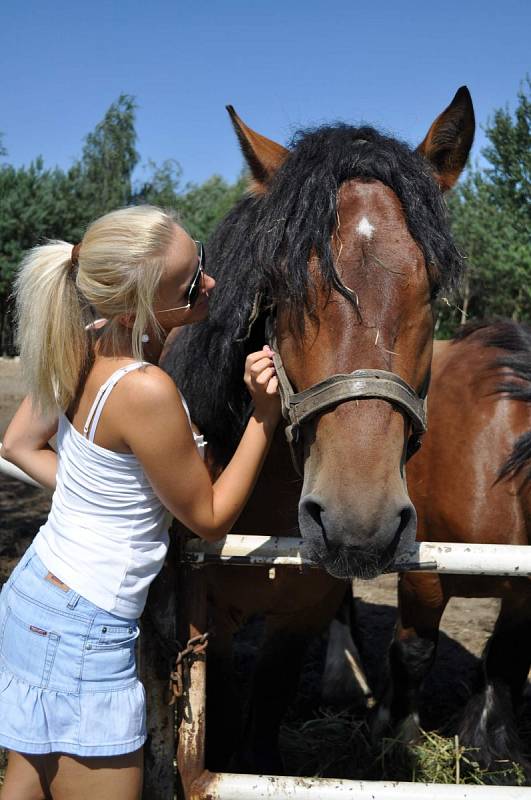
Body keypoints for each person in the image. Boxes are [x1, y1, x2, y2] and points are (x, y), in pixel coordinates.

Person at [0, 205, 280, 800]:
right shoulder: (145, 389)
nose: (210, 282)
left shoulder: (80, 342)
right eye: (189, 283)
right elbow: (208, 515)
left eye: (201, 259)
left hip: (36, 594)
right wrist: (263, 416)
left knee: (24, 784)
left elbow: (18, 444)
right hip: (85, 626)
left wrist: (102, 502)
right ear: (140, 310)